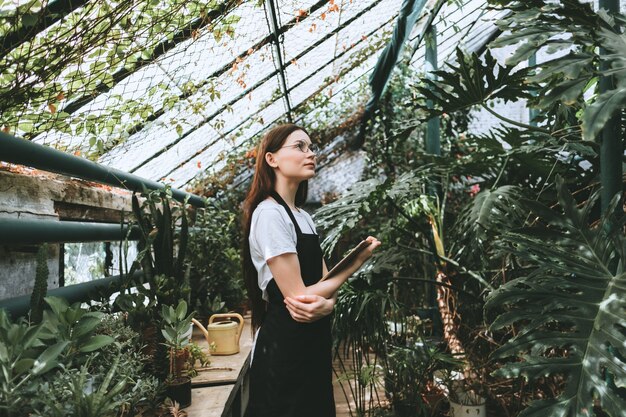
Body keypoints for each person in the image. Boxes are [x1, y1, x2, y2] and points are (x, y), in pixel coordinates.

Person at [242, 123, 381, 417]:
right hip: (284, 348)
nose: (311, 153)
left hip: (313, 342)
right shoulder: (269, 213)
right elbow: (299, 296)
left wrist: (328, 304)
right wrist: (355, 262)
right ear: (272, 159)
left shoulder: (303, 217)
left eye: (311, 147)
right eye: (300, 147)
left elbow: (324, 283)